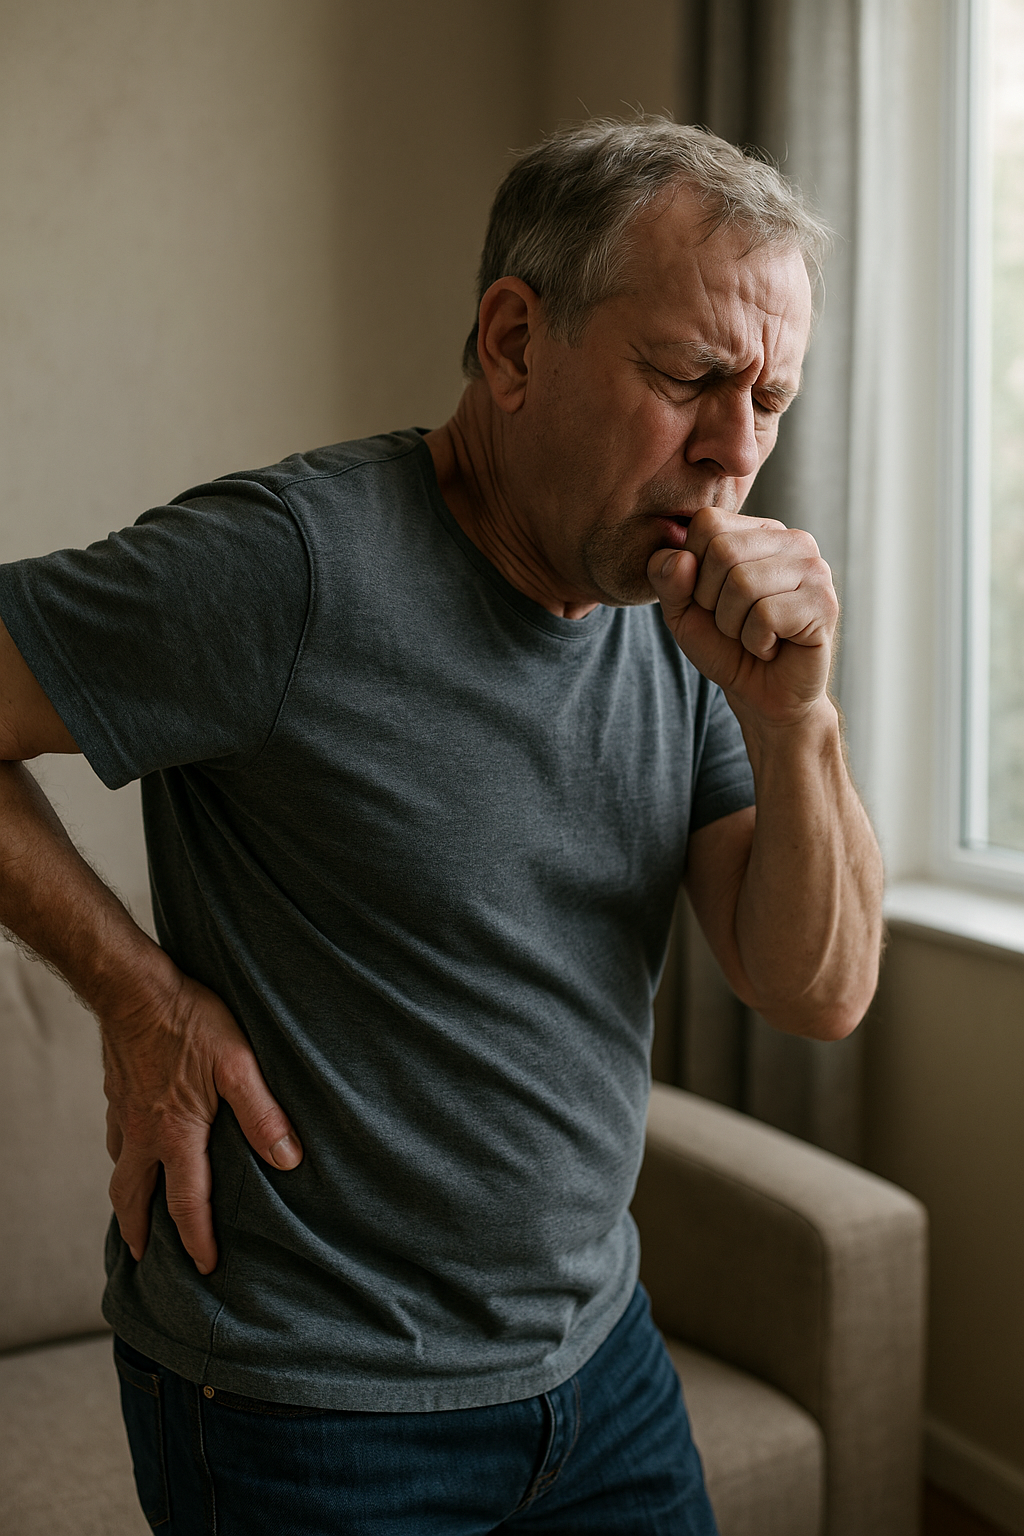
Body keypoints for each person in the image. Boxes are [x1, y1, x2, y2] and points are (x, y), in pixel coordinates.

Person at [0, 118, 882, 1533]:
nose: (734, 453)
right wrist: (135, 994)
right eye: (690, 377)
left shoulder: (684, 620)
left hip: (600, 1371)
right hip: (308, 1414)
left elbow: (817, 992)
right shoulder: (286, 567)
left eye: (770, 399)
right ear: (516, 342)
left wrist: (794, 724)